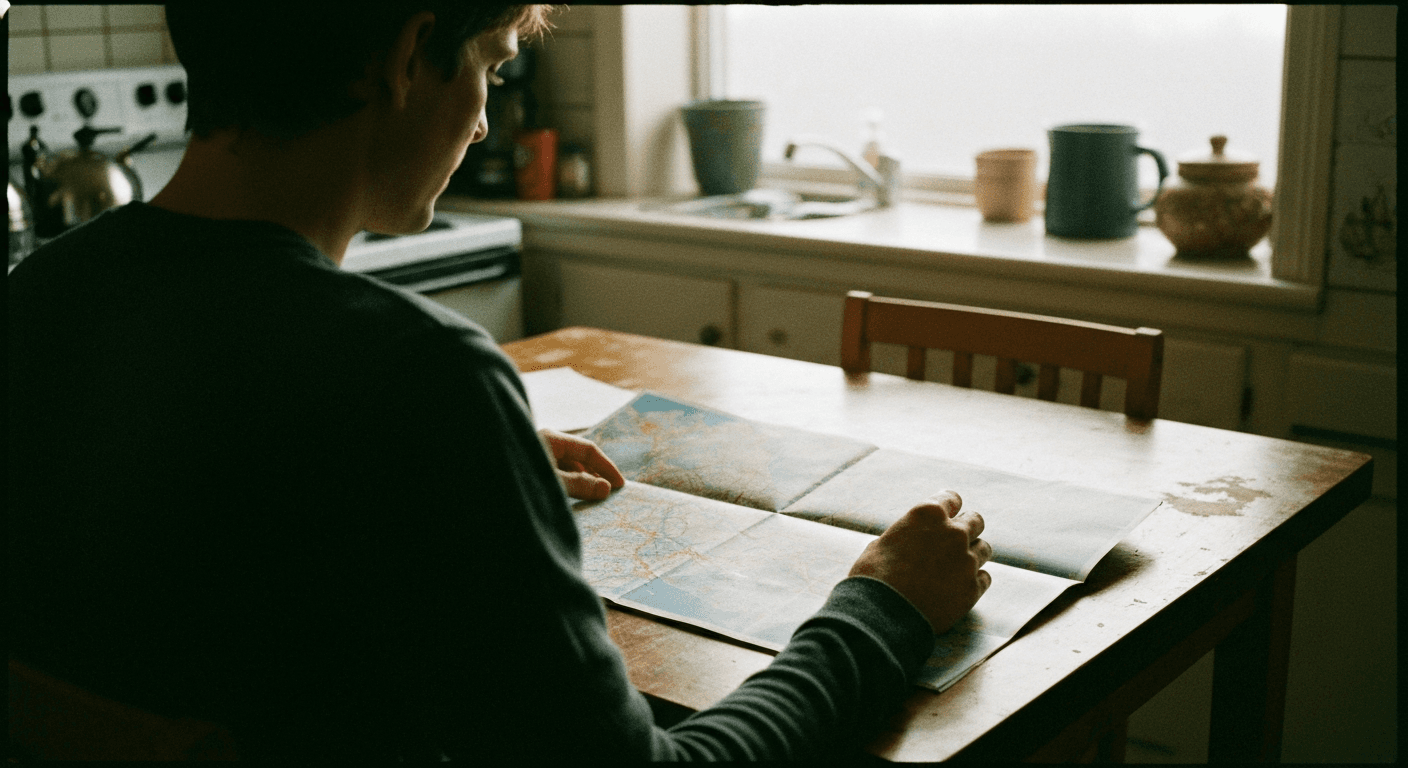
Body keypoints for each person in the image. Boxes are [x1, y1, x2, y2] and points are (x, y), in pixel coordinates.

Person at [7, 2, 993, 760]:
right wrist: (883, 603)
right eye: (491, 64)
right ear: (405, 59)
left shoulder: (38, 294)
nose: (482, 121)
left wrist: (461, 470)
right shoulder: (415, 374)